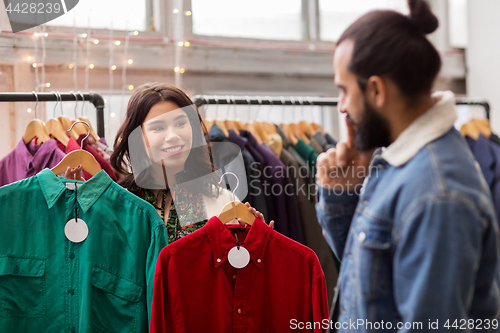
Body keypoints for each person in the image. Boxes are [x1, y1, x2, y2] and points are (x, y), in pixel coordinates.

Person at [315, 0, 500, 331]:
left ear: (376, 90)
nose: (341, 106)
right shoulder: (398, 162)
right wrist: (341, 194)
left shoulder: (437, 194)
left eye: (344, 90)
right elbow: (370, 284)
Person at [66, 83, 273, 244]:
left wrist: (254, 241)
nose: (173, 136)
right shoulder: (117, 202)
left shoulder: (223, 201)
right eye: (158, 128)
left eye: (181, 123)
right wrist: (73, 209)